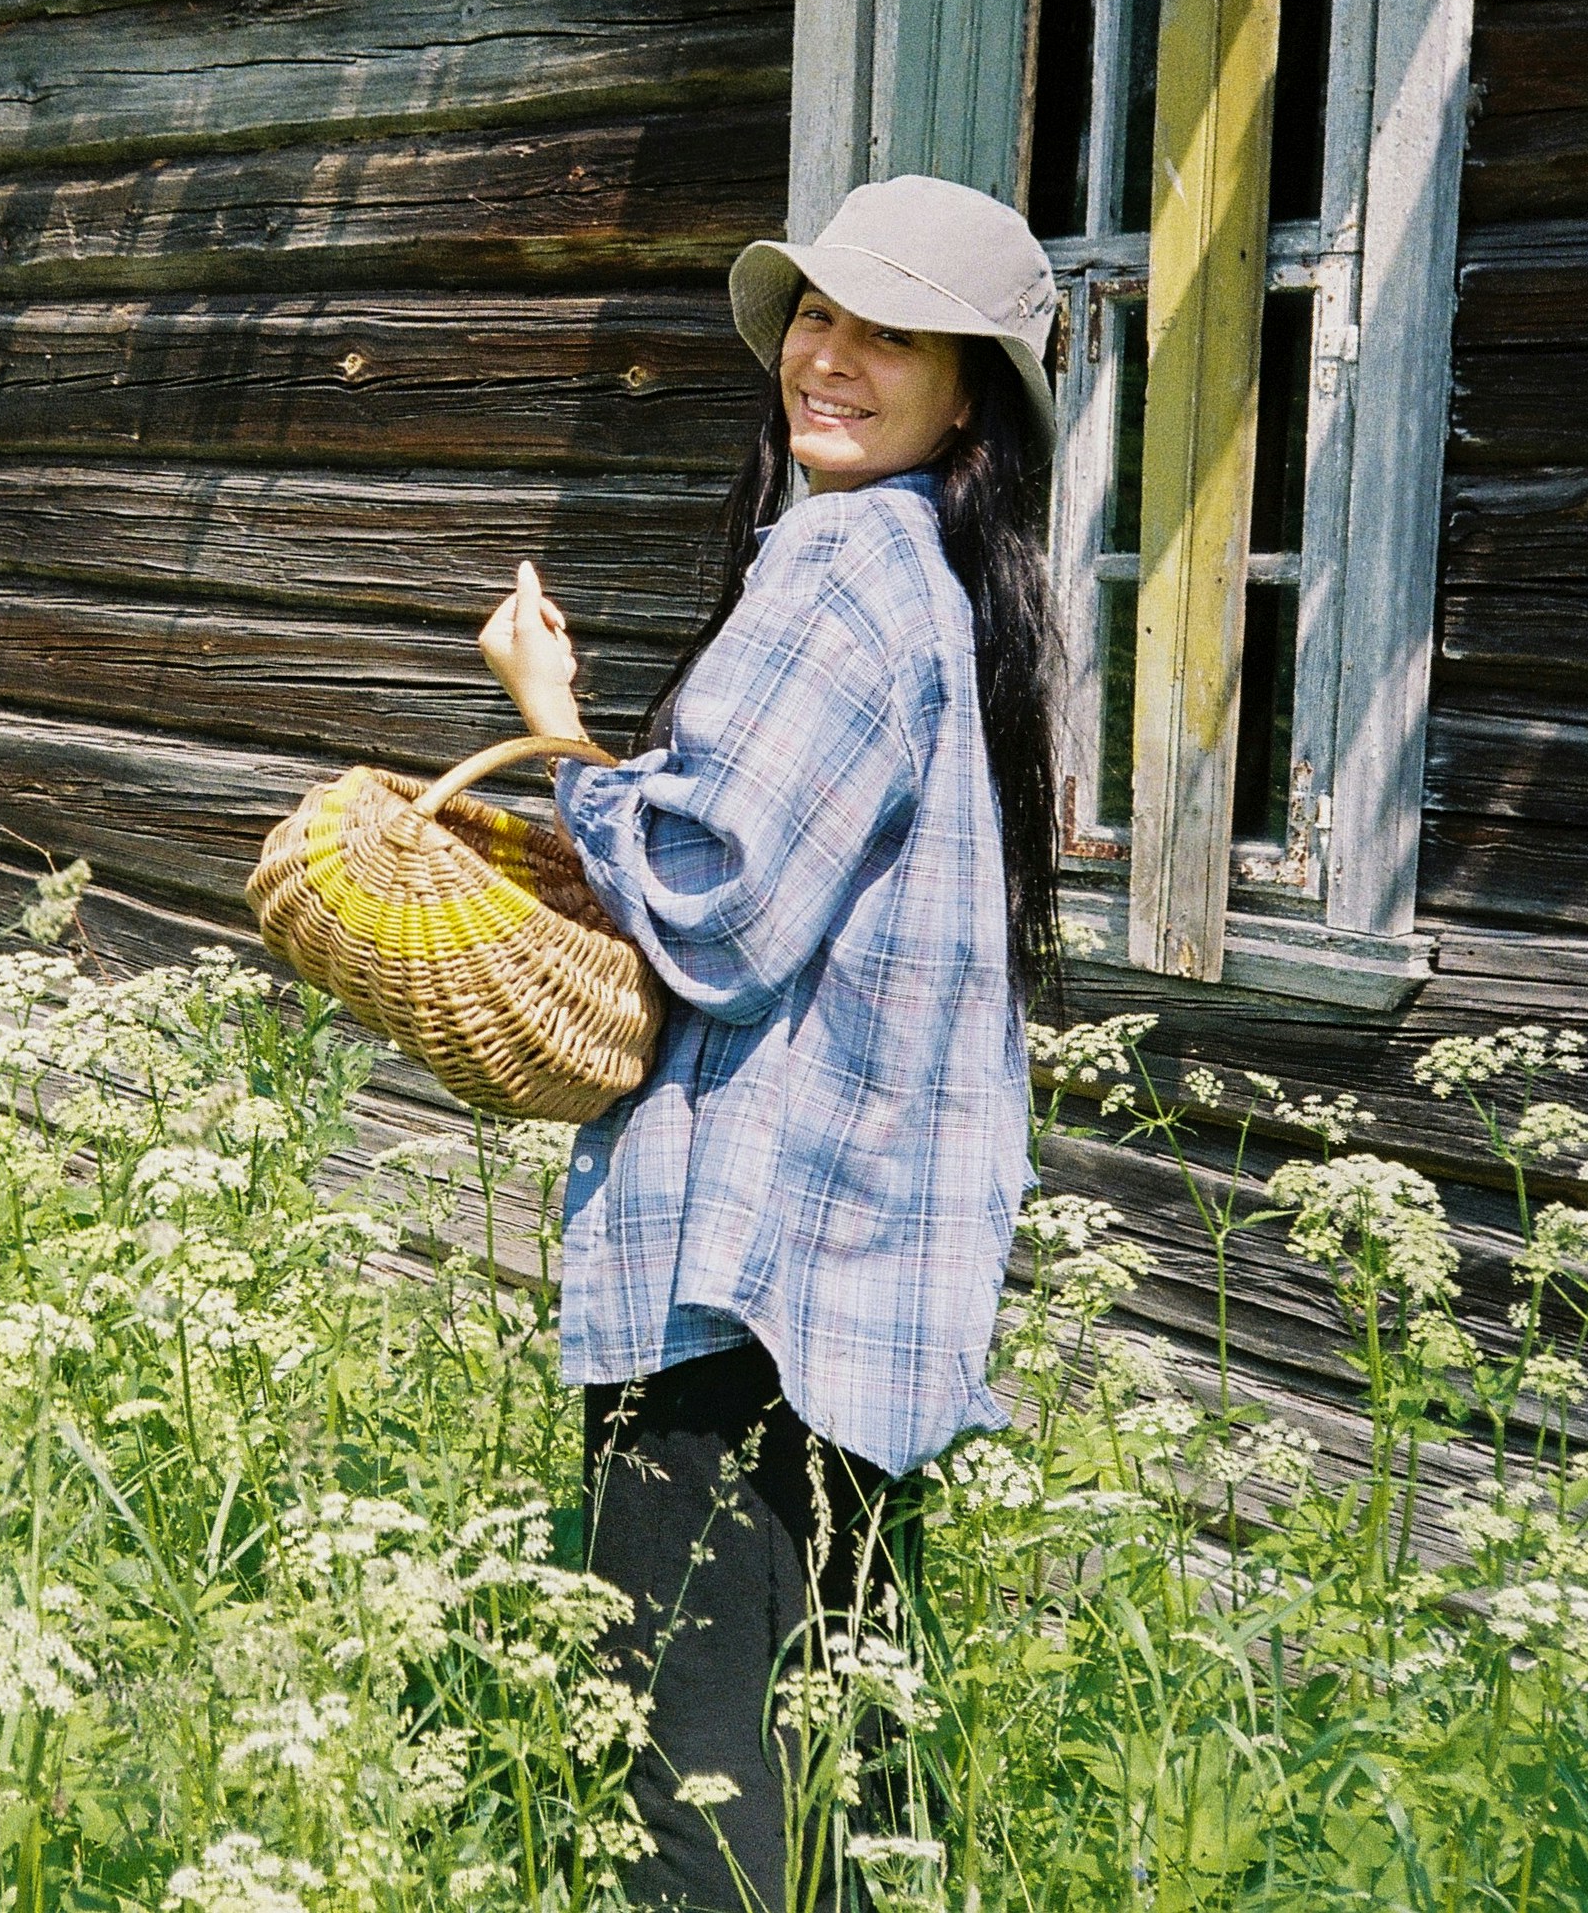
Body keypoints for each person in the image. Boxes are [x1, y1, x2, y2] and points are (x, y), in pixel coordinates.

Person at [477, 175, 1064, 1907]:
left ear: (972, 396)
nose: (830, 354)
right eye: (817, 313)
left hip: (737, 1271)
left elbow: (720, 905)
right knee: (840, 1762)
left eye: (893, 332)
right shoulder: (957, 592)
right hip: (858, 1277)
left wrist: (553, 730)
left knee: (701, 1797)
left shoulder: (839, 565)